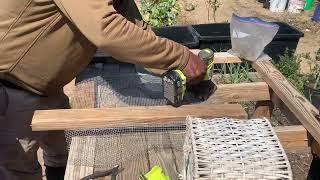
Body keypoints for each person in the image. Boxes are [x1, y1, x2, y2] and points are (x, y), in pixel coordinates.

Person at [0, 0, 207, 180]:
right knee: (18, 170)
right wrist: (181, 58)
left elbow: (136, 28)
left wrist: (172, 67)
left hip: (49, 87)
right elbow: (106, 29)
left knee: (62, 154)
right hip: (12, 87)